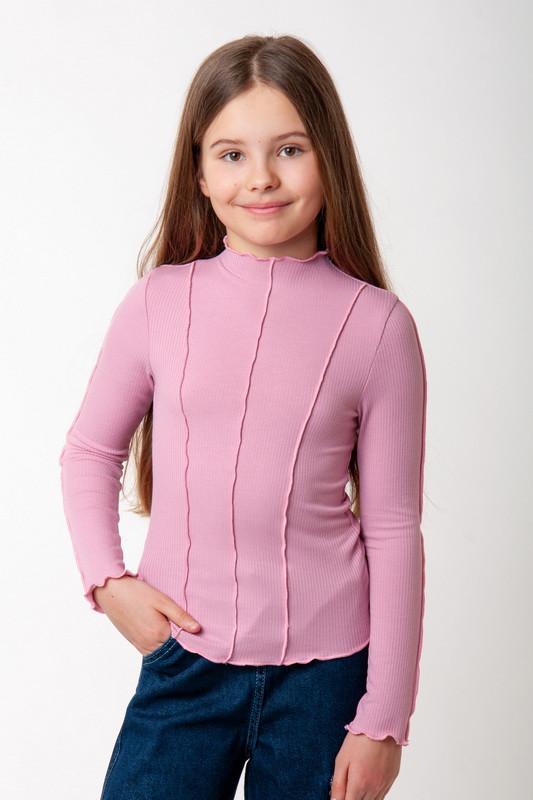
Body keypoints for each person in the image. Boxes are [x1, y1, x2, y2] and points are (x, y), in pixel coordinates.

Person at [59, 33, 427, 800]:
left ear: (328, 157)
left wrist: (384, 718)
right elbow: (90, 450)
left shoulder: (378, 327)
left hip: (326, 682)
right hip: (184, 659)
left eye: (288, 149)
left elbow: (392, 527)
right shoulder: (159, 303)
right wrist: (108, 581)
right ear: (198, 172)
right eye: (231, 154)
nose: (260, 176)